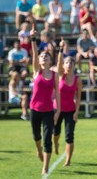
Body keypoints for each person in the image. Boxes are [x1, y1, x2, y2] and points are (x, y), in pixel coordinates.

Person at [29, 26, 61, 175]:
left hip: (48, 111)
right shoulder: (37, 71)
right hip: (34, 110)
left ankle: (45, 166)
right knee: (37, 136)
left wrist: (58, 110)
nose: (43, 57)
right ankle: (38, 149)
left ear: (50, 60)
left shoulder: (54, 75)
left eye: (46, 56)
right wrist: (33, 39)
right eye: (42, 56)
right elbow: (34, 53)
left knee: (47, 139)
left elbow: (58, 93)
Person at [53, 38, 83, 166]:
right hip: (57, 109)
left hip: (70, 110)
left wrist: (76, 112)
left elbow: (78, 97)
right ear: (64, 65)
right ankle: (55, 144)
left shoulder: (78, 80)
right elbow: (59, 63)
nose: (69, 64)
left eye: (71, 62)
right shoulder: (61, 75)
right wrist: (60, 49)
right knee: (56, 133)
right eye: (67, 62)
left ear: (74, 65)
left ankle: (68, 160)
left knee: (69, 136)